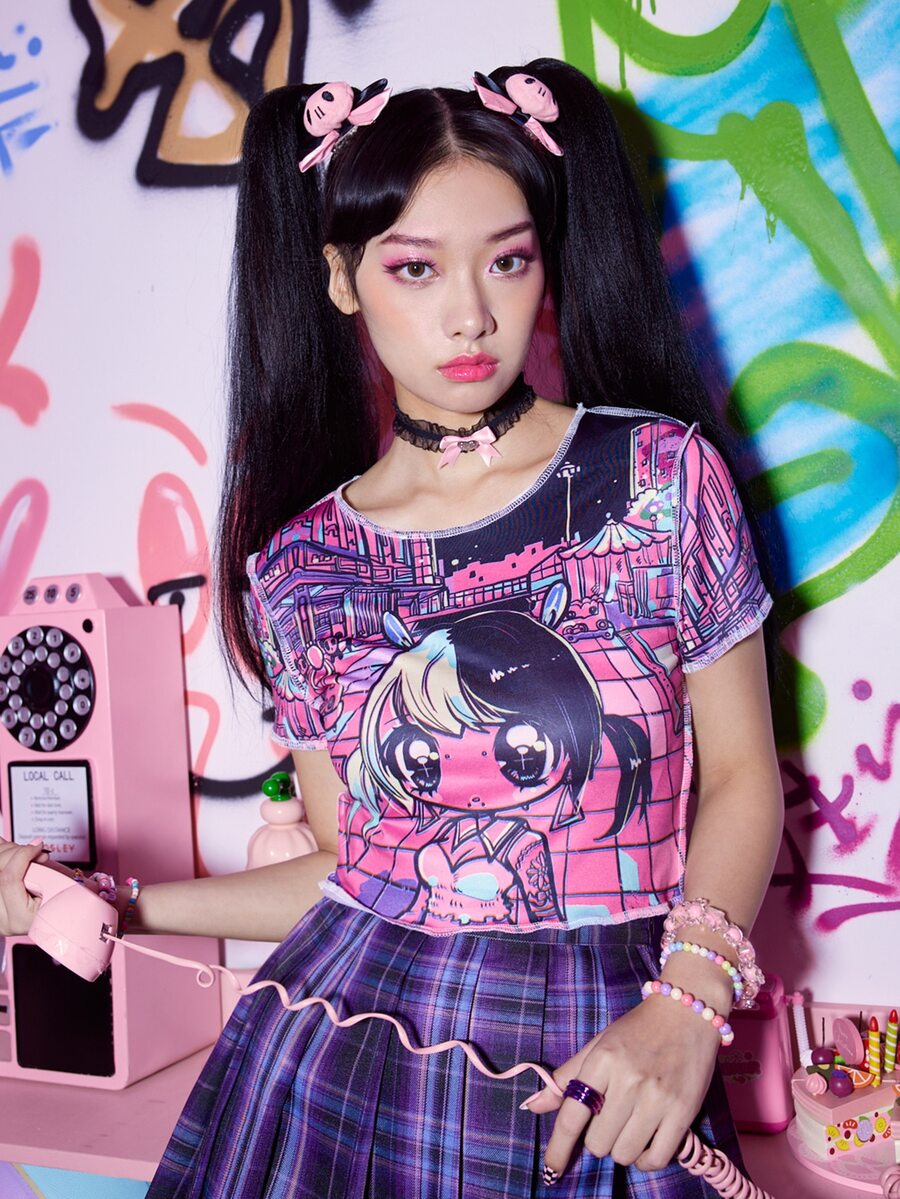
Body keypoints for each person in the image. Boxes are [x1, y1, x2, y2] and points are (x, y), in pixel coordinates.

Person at [0, 58, 784, 1197]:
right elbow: (349, 867)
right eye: (415, 267)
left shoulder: (659, 477)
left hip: (615, 1040)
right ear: (342, 278)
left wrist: (687, 1002)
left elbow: (745, 777)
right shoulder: (299, 563)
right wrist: (114, 902)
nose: (471, 315)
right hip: (347, 1053)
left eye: (507, 259)